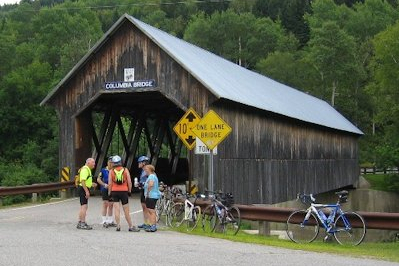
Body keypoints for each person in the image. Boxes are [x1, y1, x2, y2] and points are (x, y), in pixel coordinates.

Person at [108, 155, 140, 232]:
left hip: (114, 191)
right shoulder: (125, 170)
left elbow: (110, 183)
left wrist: (109, 193)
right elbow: (129, 182)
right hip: (124, 191)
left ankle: (118, 226)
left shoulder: (111, 171)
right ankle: (130, 226)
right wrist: (129, 191)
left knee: (116, 209)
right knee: (126, 210)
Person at [77, 158, 96, 230]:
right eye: (93, 162)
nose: (94, 164)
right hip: (83, 189)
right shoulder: (85, 169)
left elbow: (86, 180)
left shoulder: (87, 169)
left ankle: (80, 222)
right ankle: (82, 223)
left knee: (83, 206)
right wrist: (87, 191)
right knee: (84, 206)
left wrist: (91, 184)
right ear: (88, 163)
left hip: (83, 188)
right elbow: (82, 181)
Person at [97, 156, 116, 227]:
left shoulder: (115, 171)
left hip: (112, 189)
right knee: (105, 204)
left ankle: (110, 220)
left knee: (111, 204)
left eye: (112, 163)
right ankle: (104, 220)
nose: (111, 164)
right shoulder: (103, 170)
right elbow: (98, 179)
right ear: (107, 162)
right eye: (110, 162)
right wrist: (104, 185)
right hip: (105, 189)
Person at [143, 164, 161, 232]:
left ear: (150, 170)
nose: (145, 171)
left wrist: (147, 193)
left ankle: (153, 225)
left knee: (151, 211)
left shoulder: (151, 176)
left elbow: (151, 184)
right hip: (153, 195)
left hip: (151, 195)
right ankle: (151, 224)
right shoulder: (152, 176)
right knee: (150, 210)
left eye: (146, 169)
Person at [136, 155, 150, 229]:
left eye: (140, 162)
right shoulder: (142, 171)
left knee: (147, 208)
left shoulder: (148, 171)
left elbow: (151, 181)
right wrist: (139, 184)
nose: (138, 164)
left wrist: (143, 184)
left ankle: (149, 223)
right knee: (144, 207)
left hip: (147, 191)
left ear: (144, 163)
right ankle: (145, 222)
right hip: (142, 190)